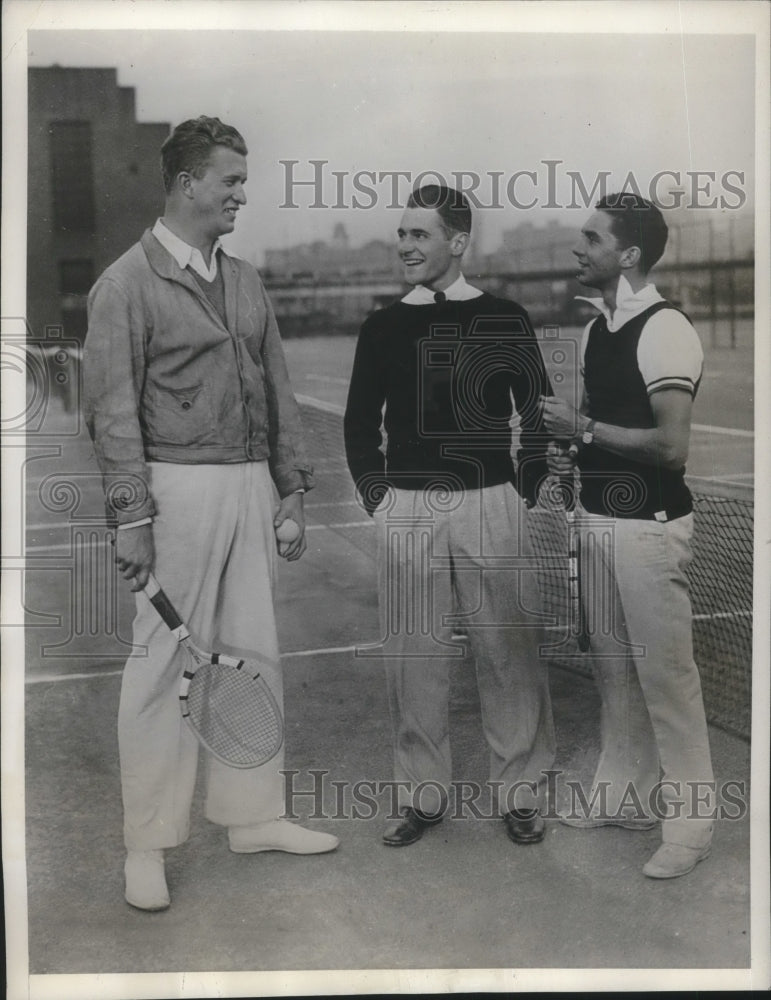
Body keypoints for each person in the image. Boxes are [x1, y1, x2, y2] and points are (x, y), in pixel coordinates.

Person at [83, 116, 338, 912]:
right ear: (188, 183)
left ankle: (253, 816)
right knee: (163, 666)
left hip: (247, 488)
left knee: (252, 656)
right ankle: (147, 844)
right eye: (230, 179)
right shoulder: (124, 284)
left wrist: (289, 489)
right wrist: (131, 516)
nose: (241, 193)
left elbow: (275, 388)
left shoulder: (246, 280)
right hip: (173, 492)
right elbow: (113, 412)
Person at [344, 185, 555, 847]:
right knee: (414, 658)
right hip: (407, 509)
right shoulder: (380, 326)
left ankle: (518, 793)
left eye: (419, 235)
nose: (404, 245)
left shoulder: (504, 317)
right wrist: (379, 498)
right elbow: (357, 426)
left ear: (457, 242)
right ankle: (422, 796)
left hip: (491, 504)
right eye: (401, 234)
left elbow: (536, 416)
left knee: (508, 656)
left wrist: (522, 485)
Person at [541, 192, 715, 879]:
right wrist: (571, 453)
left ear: (629, 254)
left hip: (649, 528)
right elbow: (597, 431)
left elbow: (670, 449)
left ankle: (691, 824)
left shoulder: (666, 329)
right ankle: (623, 797)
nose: (576, 248)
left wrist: (581, 432)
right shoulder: (595, 330)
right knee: (614, 676)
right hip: (597, 522)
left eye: (590, 238)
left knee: (667, 682)